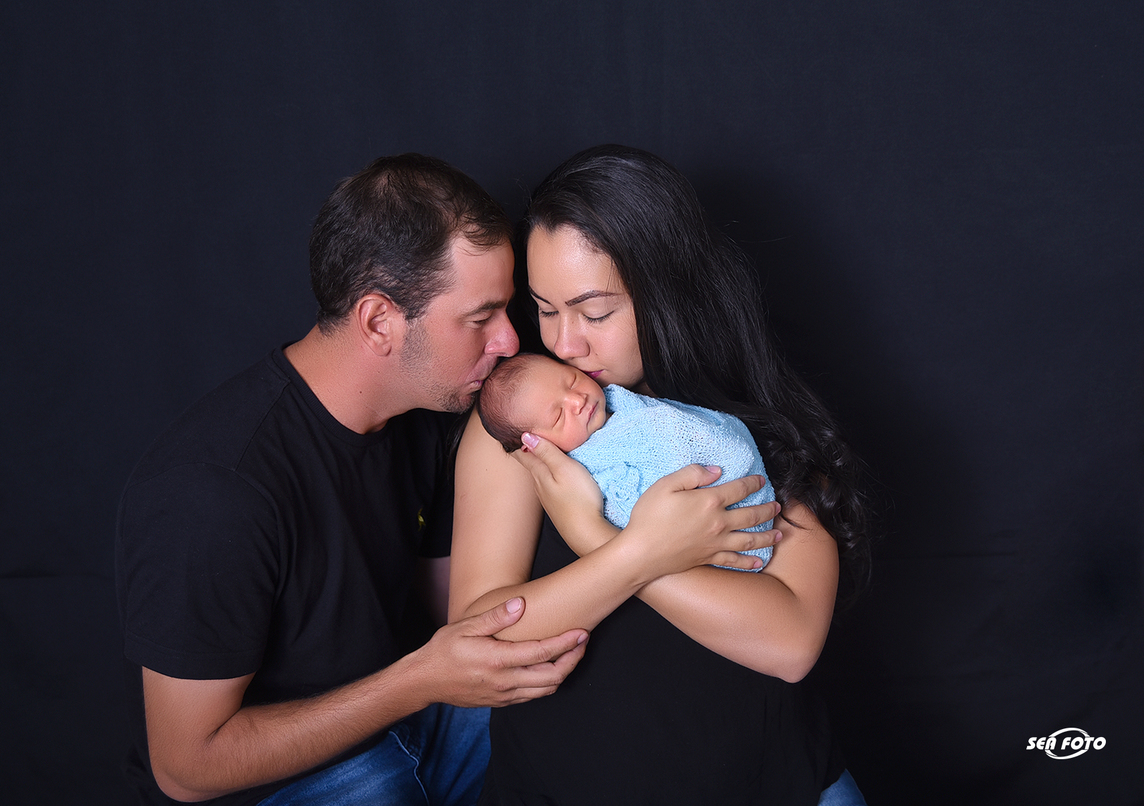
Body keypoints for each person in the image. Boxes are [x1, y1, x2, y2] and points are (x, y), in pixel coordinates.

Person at [115, 154, 589, 806]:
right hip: (286, 781)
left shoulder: (426, 415)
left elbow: (469, 619)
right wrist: (417, 682)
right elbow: (186, 768)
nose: (511, 341)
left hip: (414, 718)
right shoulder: (214, 490)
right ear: (378, 322)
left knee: (579, 709)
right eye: (480, 318)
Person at [449, 145, 872, 805]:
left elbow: (790, 641)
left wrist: (598, 539)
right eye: (545, 309)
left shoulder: (743, 423)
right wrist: (637, 552)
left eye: (594, 312)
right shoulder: (530, 421)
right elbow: (480, 639)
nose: (564, 345)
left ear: (670, 292)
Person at [475, 351, 774, 571]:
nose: (577, 400)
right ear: (536, 446)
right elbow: (633, 519)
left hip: (736, 477)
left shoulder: (618, 400)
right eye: (558, 416)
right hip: (704, 535)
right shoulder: (587, 470)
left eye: (571, 381)